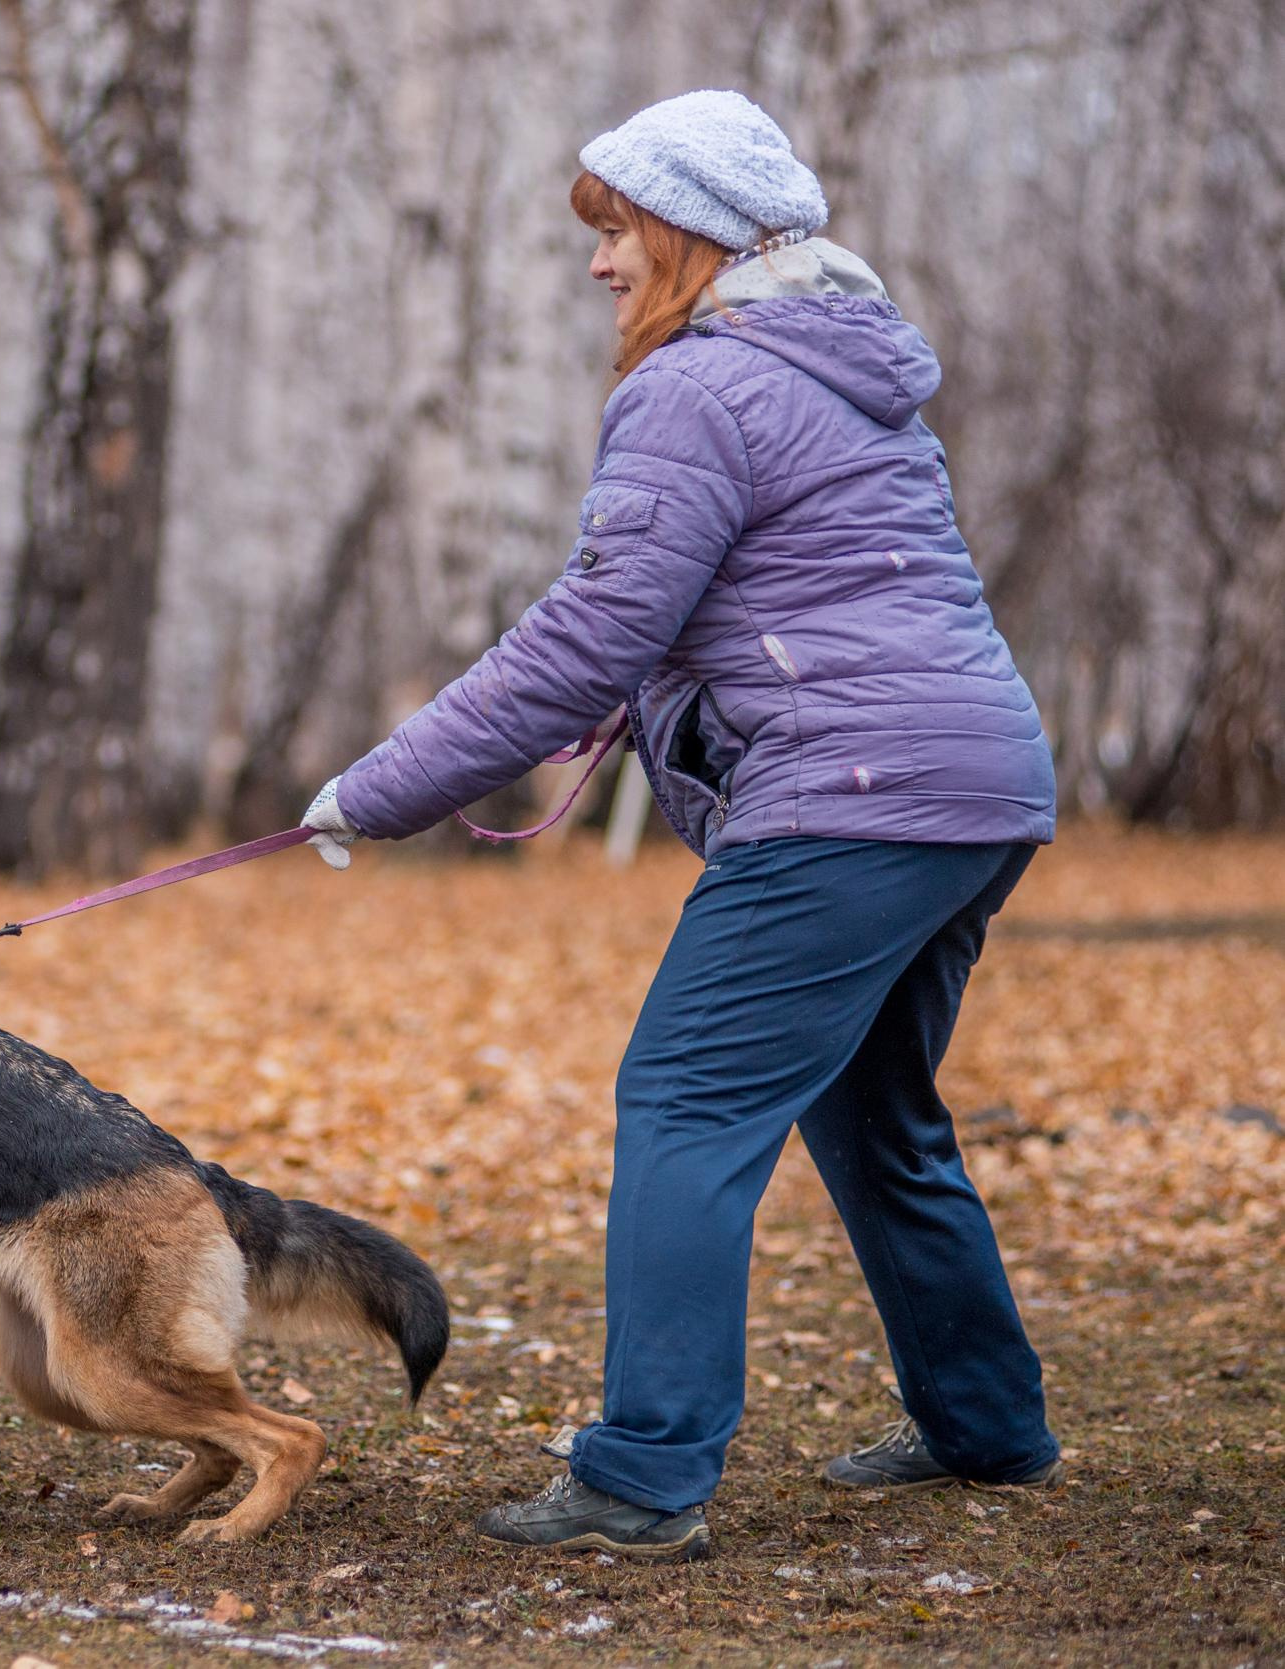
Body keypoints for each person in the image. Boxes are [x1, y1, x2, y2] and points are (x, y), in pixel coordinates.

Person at [299, 90, 1062, 1560]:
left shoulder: (698, 387)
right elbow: (782, 607)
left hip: (847, 806)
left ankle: (643, 1474)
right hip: (971, 790)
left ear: (698, 237)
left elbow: (588, 631)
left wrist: (386, 783)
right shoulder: (848, 379)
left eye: (619, 230)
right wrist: (647, 698)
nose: (599, 264)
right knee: (877, 1115)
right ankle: (986, 1424)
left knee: (682, 1109)